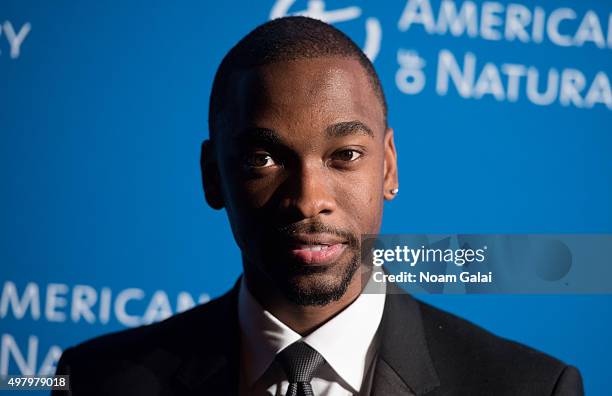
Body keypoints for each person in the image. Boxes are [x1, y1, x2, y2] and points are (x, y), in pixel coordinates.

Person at [53, 16, 583, 396]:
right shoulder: (96, 380)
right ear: (213, 177)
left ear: (389, 168)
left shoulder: (529, 386)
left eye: (345, 155)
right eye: (264, 158)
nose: (309, 199)